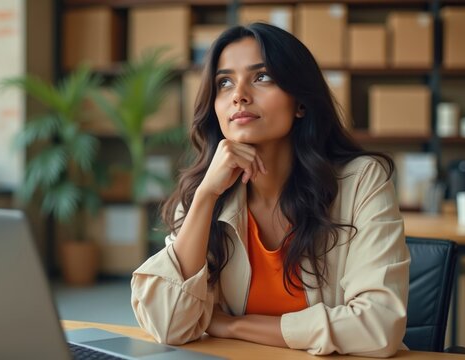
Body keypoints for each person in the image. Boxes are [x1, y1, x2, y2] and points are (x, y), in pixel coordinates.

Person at [130, 22, 409, 358]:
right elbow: (169, 325)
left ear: (300, 102)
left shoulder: (362, 180)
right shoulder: (202, 193)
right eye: (225, 82)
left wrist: (231, 326)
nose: (239, 95)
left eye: (261, 77)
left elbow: (378, 326)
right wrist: (205, 198)